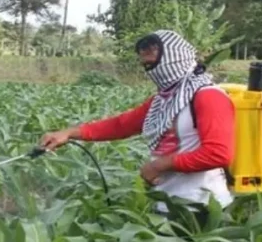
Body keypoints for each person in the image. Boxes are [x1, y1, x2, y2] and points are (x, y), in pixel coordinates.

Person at [40, 29, 236, 226]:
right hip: (168, 203)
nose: (151, 70)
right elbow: (121, 125)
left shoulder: (208, 96)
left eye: (153, 62)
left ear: (174, 56)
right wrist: (69, 133)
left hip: (202, 207)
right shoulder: (164, 99)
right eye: (146, 66)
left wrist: (158, 165)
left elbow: (217, 153)